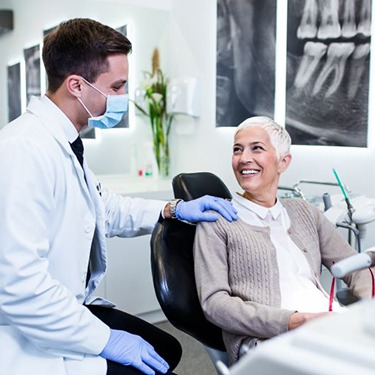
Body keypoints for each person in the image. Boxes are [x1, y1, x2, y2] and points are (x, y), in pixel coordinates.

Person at [0, 18, 238, 375]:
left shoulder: (61, 142)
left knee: (166, 347)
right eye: (117, 86)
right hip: (30, 333)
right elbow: (17, 286)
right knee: (156, 366)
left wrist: (174, 209)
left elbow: (105, 208)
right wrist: (106, 340)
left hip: (67, 308)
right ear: (76, 85)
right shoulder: (24, 150)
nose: (124, 96)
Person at [193, 116, 374, 365]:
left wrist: (368, 307)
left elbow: (356, 266)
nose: (244, 158)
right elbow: (214, 303)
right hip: (268, 341)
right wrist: (292, 321)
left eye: (256, 148)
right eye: (237, 149)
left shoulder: (303, 211)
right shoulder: (217, 221)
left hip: (329, 324)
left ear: (283, 162)